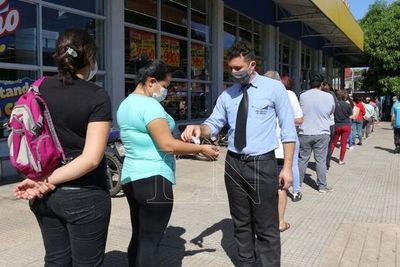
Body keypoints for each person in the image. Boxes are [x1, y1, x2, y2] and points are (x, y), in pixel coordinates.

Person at [181, 41, 297, 266]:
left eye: (238, 68)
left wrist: (287, 168)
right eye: (230, 69)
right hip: (233, 164)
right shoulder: (228, 95)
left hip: (262, 163)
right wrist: (199, 128)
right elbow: (213, 124)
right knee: (241, 222)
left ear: (252, 65)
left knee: (266, 225)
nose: (233, 73)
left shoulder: (274, 89)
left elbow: (289, 130)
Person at [14, 29, 112, 266]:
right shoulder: (97, 96)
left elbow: (25, 139)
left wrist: (41, 181)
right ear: (89, 57)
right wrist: (49, 180)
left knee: (56, 260)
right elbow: (90, 159)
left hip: (44, 197)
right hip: (84, 195)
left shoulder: (38, 89)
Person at [116, 59, 219, 267]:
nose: (166, 91)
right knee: (150, 243)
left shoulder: (125, 104)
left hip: (132, 178)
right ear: (151, 81)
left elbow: (152, 140)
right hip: (154, 179)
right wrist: (201, 148)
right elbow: (166, 145)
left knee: (139, 236)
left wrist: (177, 141)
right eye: (165, 86)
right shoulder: (149, 105)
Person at [298, 73, 335, 193]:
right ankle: (322, 186)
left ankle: (297, 184)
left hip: (305, 132)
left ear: (310, 83)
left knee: (303, 159)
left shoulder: (303, 95)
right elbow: (331, 111)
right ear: (322, 84)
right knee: (321, 161)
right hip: (322, 132)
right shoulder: (328, 96)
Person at [330, 91, 353, 164]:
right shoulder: (348, 105)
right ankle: (341, 160)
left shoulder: (334, 105)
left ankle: (328, 157)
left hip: (337, 125)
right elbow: (351, 116)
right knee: (343, 144)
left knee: (333, 143)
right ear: (345, 97)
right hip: (346, 125)